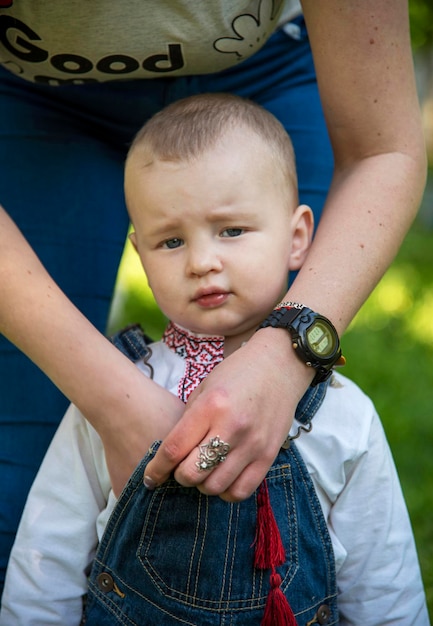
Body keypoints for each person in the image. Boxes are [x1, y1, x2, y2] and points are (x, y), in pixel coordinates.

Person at [0, 1, 427, 593]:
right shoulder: (89, 428)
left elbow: (383, 582)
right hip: (32, 93)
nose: (203, 261)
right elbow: (41, 570)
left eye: (231, 231)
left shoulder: (344, 420)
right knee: (15, 483)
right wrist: (109, 400)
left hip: (266, 70)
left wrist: (287, 355)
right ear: (143, 260)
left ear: (300, 235)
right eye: (171, 242)